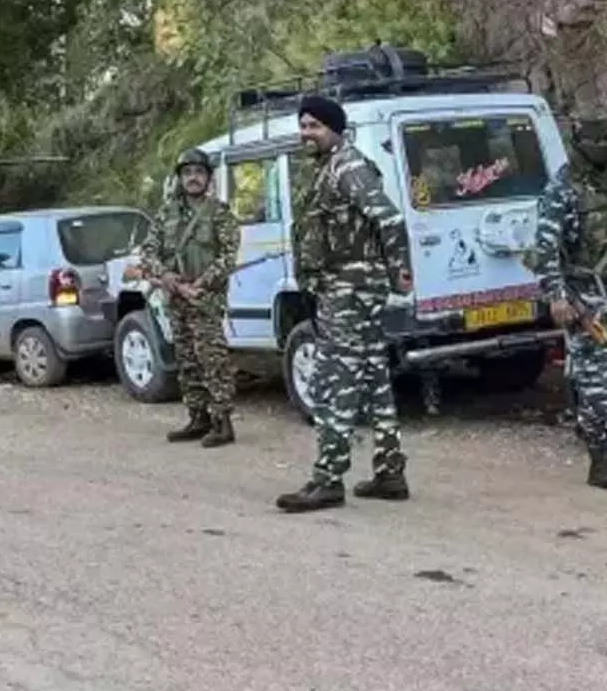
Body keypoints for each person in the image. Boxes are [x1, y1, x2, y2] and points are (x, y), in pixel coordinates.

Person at [275, 94, 414, 513]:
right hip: (349, 284)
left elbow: (389, 218)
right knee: (373, 374)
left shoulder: (348, 166)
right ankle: (390, 472)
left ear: (335, 129)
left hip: (350, 288)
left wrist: (400, 271)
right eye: (302, 126)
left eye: (314, 126)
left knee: (336, 377)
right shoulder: (325, 169)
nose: (306, 134)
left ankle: (328, 479)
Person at [533, 115, 607, 491]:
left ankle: (594, 421)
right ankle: (600, 458)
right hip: (587, 299)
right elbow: (545, 248)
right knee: (598, 377)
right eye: (596, 140)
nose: (604, 146)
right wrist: (557, 296)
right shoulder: (562, 189)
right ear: (580, 142)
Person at [141, 147, 241, 448]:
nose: (193, 178)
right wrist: (167, 277)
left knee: (213, 361)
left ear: (208, 178)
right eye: (187, 173)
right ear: (180, 179)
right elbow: (148, 252)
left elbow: (228, 256)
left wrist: (202, 283)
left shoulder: (219, 213)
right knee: (186, 360)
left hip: (205, 300)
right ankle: (198, 417)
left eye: (199, 173)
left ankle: (222, 422)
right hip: (176, 299)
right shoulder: (166, 214)